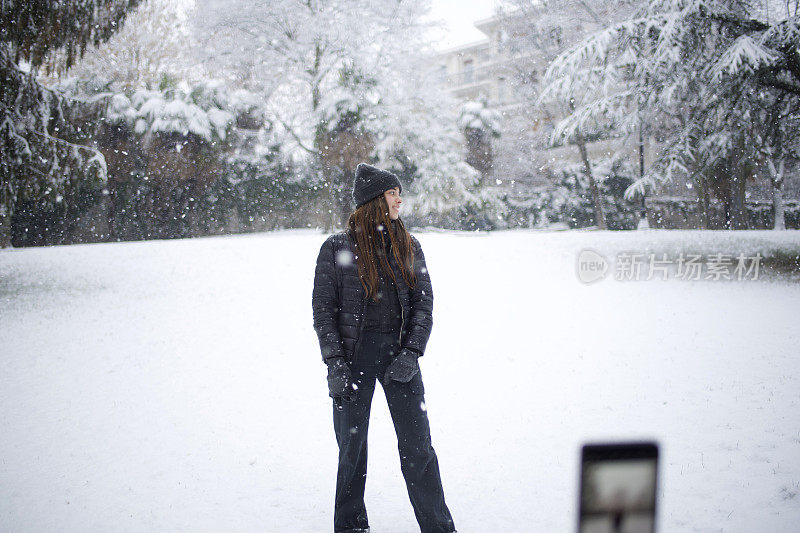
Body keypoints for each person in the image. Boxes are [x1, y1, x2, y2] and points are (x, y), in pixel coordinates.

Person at [312, 163, 457, 533]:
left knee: (418, 448)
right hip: (353, 358)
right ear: (375, 200)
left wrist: (412, 353)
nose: (399, 199)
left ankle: (439, 528)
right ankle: (350, 527)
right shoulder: (335, 248)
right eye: (393, 193)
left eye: (399, 192)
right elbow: (323, 311)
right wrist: (335, 364)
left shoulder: (408, 244)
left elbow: (423, 303)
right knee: (351, 450)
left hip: (398, 356)